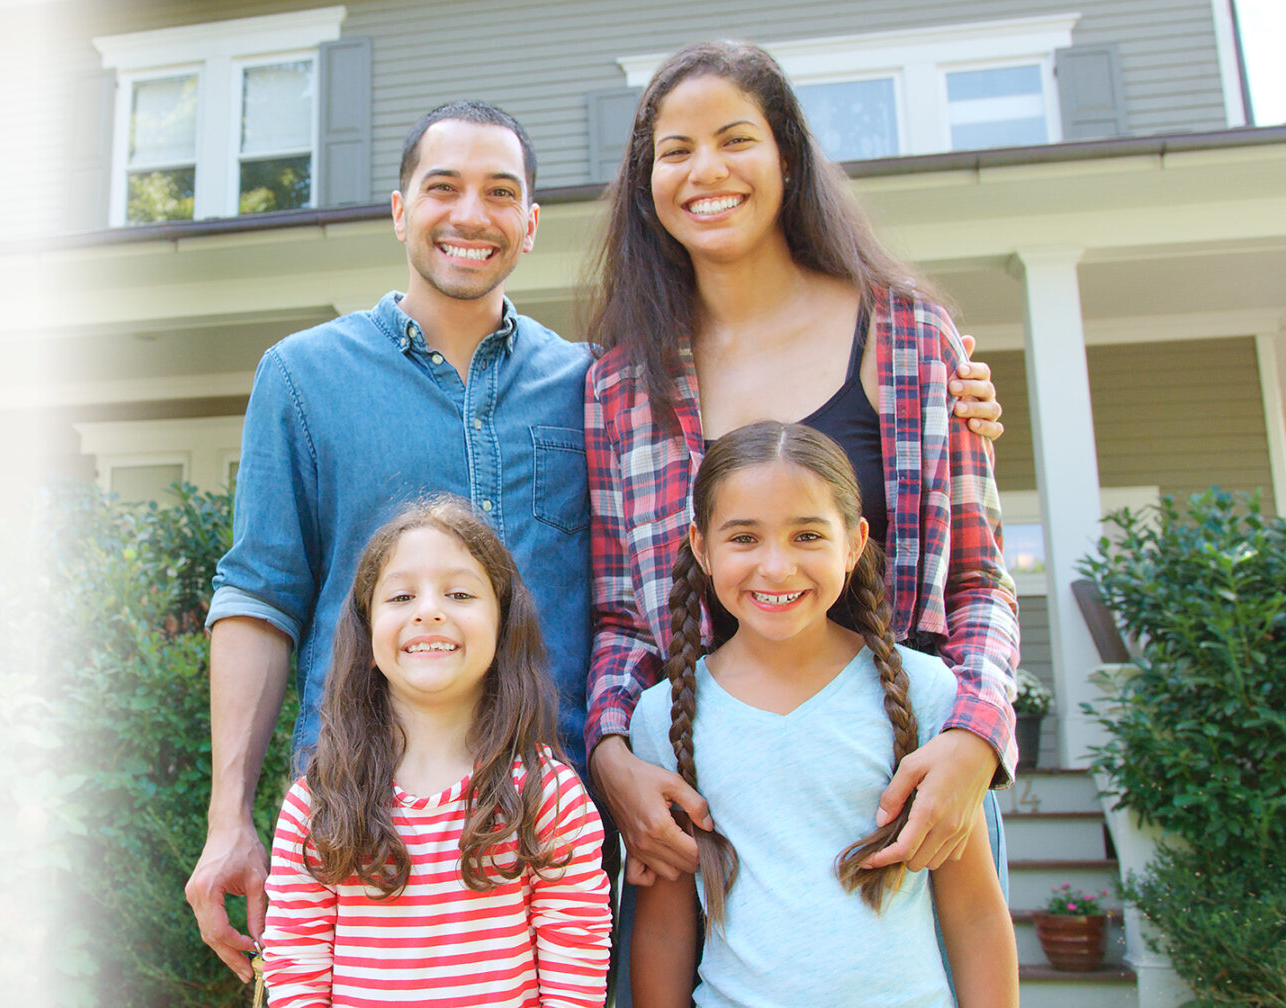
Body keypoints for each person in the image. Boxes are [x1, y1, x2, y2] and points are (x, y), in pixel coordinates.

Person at [186, 98, 1004, 985]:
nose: (470, 215)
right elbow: (258, 595)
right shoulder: (304, 377)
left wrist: (948, 398)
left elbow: (715, 516)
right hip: (361, 816)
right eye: (443, 188)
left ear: (532, 223)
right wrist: (229, 817)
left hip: (557, 827)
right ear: (399, 209)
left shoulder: (596, 383)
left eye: (501, 192)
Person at [583, 41, 1021, 898]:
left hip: (906, 797)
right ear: (646, 184)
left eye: (735, 139)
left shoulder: (910, 339)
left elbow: (979, 581)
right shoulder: (620, 387)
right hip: (715, 820)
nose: (706, 170)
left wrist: (974, 738)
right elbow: (622, 621)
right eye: (675, 150)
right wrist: (612, 754)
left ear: (787, 156)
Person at [628, 421, 1017, 1008]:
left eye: (807, 535)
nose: (776, 567)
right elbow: (663, 928)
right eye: (744, 538)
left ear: (855, 543)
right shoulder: (663, 716)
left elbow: (975, 912)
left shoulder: (927, 692)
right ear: (701, 548)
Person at [260, 498, 611, 1007]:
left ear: (503, 625)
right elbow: (296, 970)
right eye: (401, 596)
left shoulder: (548, 796)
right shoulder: (317, 803)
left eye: (460, 593)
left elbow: (575, 967)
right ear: (366, 631)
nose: (428, 610)